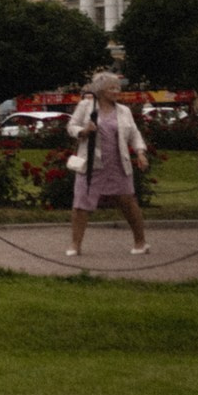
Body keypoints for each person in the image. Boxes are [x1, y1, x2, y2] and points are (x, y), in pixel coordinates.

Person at [66, 70, 149, 257]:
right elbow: (71, 126)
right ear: (101, 90)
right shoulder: (86, 106)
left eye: (118, 88)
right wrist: (84, 131)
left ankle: (141, 242)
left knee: (128, 202)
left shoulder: (124, 111)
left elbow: (134, 134)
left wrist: (140, 153)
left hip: (117, 164)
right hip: (91, 164)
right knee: (81, 204)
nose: (116, 91)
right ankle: (75, 245)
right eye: (112, 88)